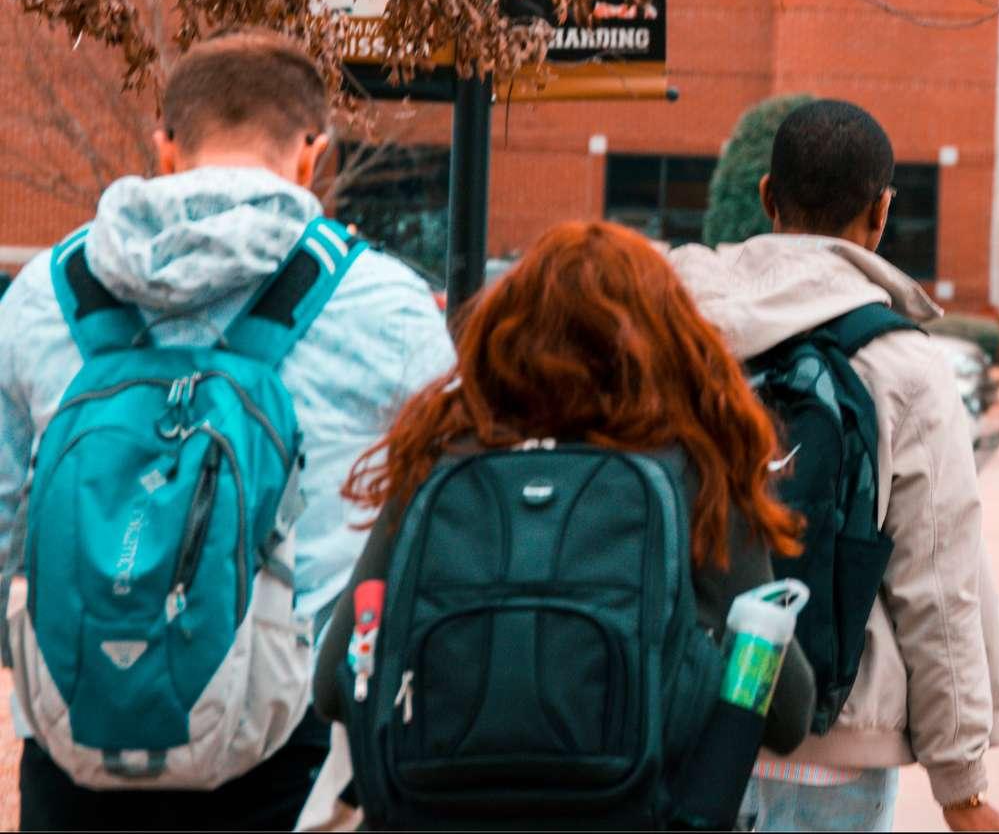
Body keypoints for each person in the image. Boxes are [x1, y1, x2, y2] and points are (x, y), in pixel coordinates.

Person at [0, 30, 454, 830]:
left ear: (166, 147)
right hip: (292, 744)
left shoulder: (42, 294)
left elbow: (5, 515)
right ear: (315, 153)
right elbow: (438, 525)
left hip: (78, 732)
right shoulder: (385, 304)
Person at [312, 221, 817, 824]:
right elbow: (787, 714)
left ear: (505, 335)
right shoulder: (696, 474)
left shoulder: (441, 463)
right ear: (668, 342)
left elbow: (335, 682)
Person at [670, 99, 999, 833]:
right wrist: (959, 788)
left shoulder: (679, 330)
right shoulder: (901, 362)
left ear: (767, 195)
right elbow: (939, 584)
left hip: (686, 716)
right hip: (833, 743)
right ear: (880, 213)